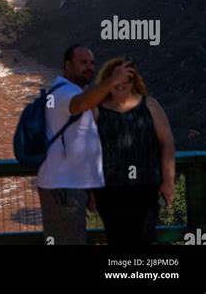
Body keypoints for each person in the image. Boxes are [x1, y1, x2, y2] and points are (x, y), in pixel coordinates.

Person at [37, 45, 134, 244]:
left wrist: (88, 186)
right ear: (67, 65)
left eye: (92, 63)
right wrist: (112, 81)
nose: (89, 67)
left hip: (70, 185)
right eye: (83, 63)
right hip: (62, 188)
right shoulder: (65, 93)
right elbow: (80, 104)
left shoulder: (68, 90)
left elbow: (78, 145)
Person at [92, 57, 175, 245]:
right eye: (116, 79)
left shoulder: (149, 105)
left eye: (127, 80)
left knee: (144, 239)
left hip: (145, 188)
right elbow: (87, 150)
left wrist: (168, 181)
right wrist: (89, 187)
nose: (121, 84)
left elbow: (167, 142)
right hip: (109, 191)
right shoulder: (96, 110)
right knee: (117, 240)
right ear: (107, 80)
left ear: (134, 82)